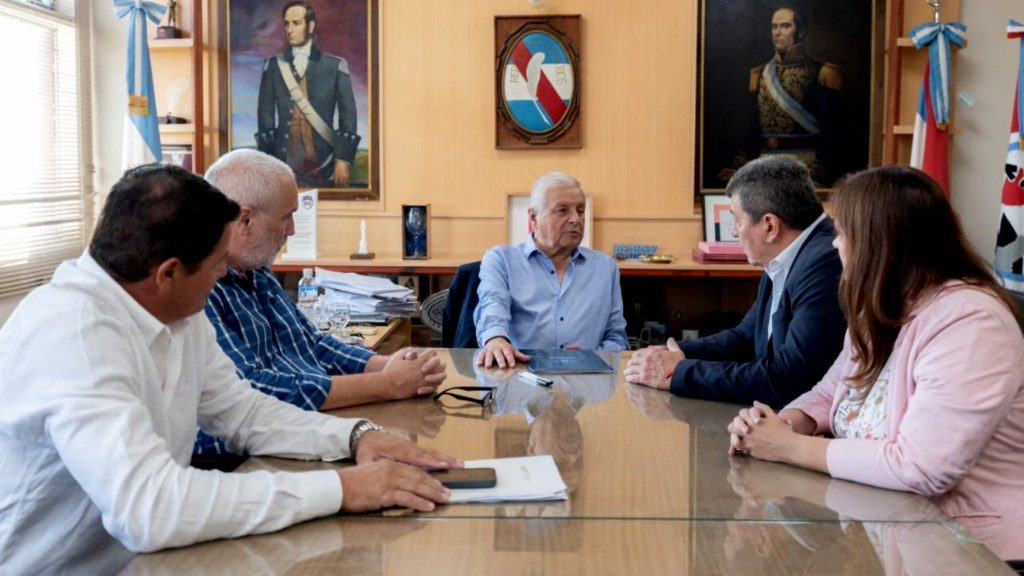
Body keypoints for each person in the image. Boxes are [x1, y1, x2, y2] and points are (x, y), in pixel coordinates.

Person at [0, 165, 460, 571]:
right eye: (217, 263)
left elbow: (244, 413)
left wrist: (356, 436)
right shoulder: (73, 334)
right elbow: (151, 508)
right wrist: (341, 489)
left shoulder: (175, 311)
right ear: (168, 273)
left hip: (150, 559)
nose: (224, 275)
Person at [727, 166, 1024, 561]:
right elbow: (833, 391)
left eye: (842, 233)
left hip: (972, 549)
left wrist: (788, 446)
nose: (835, 245)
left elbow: (921, 467)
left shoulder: (971, 322)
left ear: (877, 241)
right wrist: (783, 423)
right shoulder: (883, 307)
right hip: (885, 528)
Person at [194, 149, 446, 456]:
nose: (292, 230)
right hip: (254, 455)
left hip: (309, 430)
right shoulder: (200, 290)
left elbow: (312, 344)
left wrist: (389, 366)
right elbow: (253, 391)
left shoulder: (257, 271)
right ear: (245, 220)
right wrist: (386, 384)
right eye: (286, 217)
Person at [625, 156, 846, 407]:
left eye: (738, 221)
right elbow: (745, 338)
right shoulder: (788, 253)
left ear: (770, 226)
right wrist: (672, 352)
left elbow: (789, 381)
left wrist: (678, 372)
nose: (733, 231)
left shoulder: (826, 263)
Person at [474, 172, 628, 368]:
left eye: (580, 211)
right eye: (562, 210)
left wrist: (593, 357)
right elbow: (492, 306)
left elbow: (616, 338)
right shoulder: (502, 260)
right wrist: (496, 339)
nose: (575, 219)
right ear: (534, 218)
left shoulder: (605, 267)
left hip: (586, 379)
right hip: (519, 374)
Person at [718, 6, 841, 187]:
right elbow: (752, 129)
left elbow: (831, 130)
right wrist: (740, 167)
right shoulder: (759, 74)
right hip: (763, 164)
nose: (777, 32)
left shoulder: (822, 73)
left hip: (804, 164)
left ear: (801, 32)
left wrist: (818, 172)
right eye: (774, 27)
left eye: (785, 26)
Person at [256, 1, 359, 188]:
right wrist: (268, 164)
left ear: (310, 26)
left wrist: (343, 159)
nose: (289, 30)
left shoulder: (335, 66)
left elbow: (348, 115)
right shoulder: (273, 66)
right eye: (286, 24)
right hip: (282, 163)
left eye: (296, 23)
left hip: (325, 162)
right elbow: (265, 117)